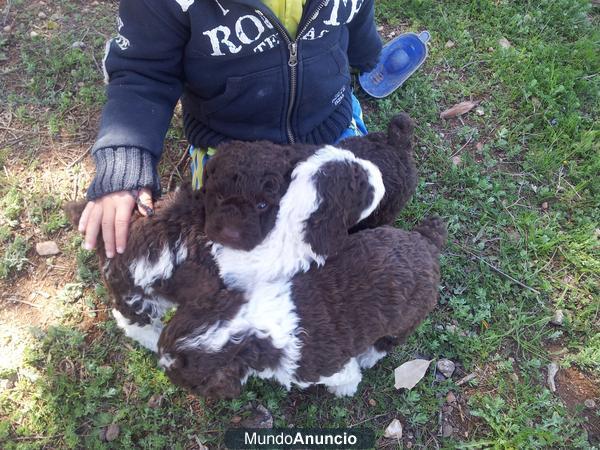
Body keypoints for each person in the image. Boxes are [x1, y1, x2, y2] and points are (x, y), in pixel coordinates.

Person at [78, 0, 382, 258]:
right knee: (235, 257)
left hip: (329, 123)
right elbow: (143, 73)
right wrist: (127, 160)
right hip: (231, 146)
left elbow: (355, 13)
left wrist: (366, 54)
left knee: (350, 230)